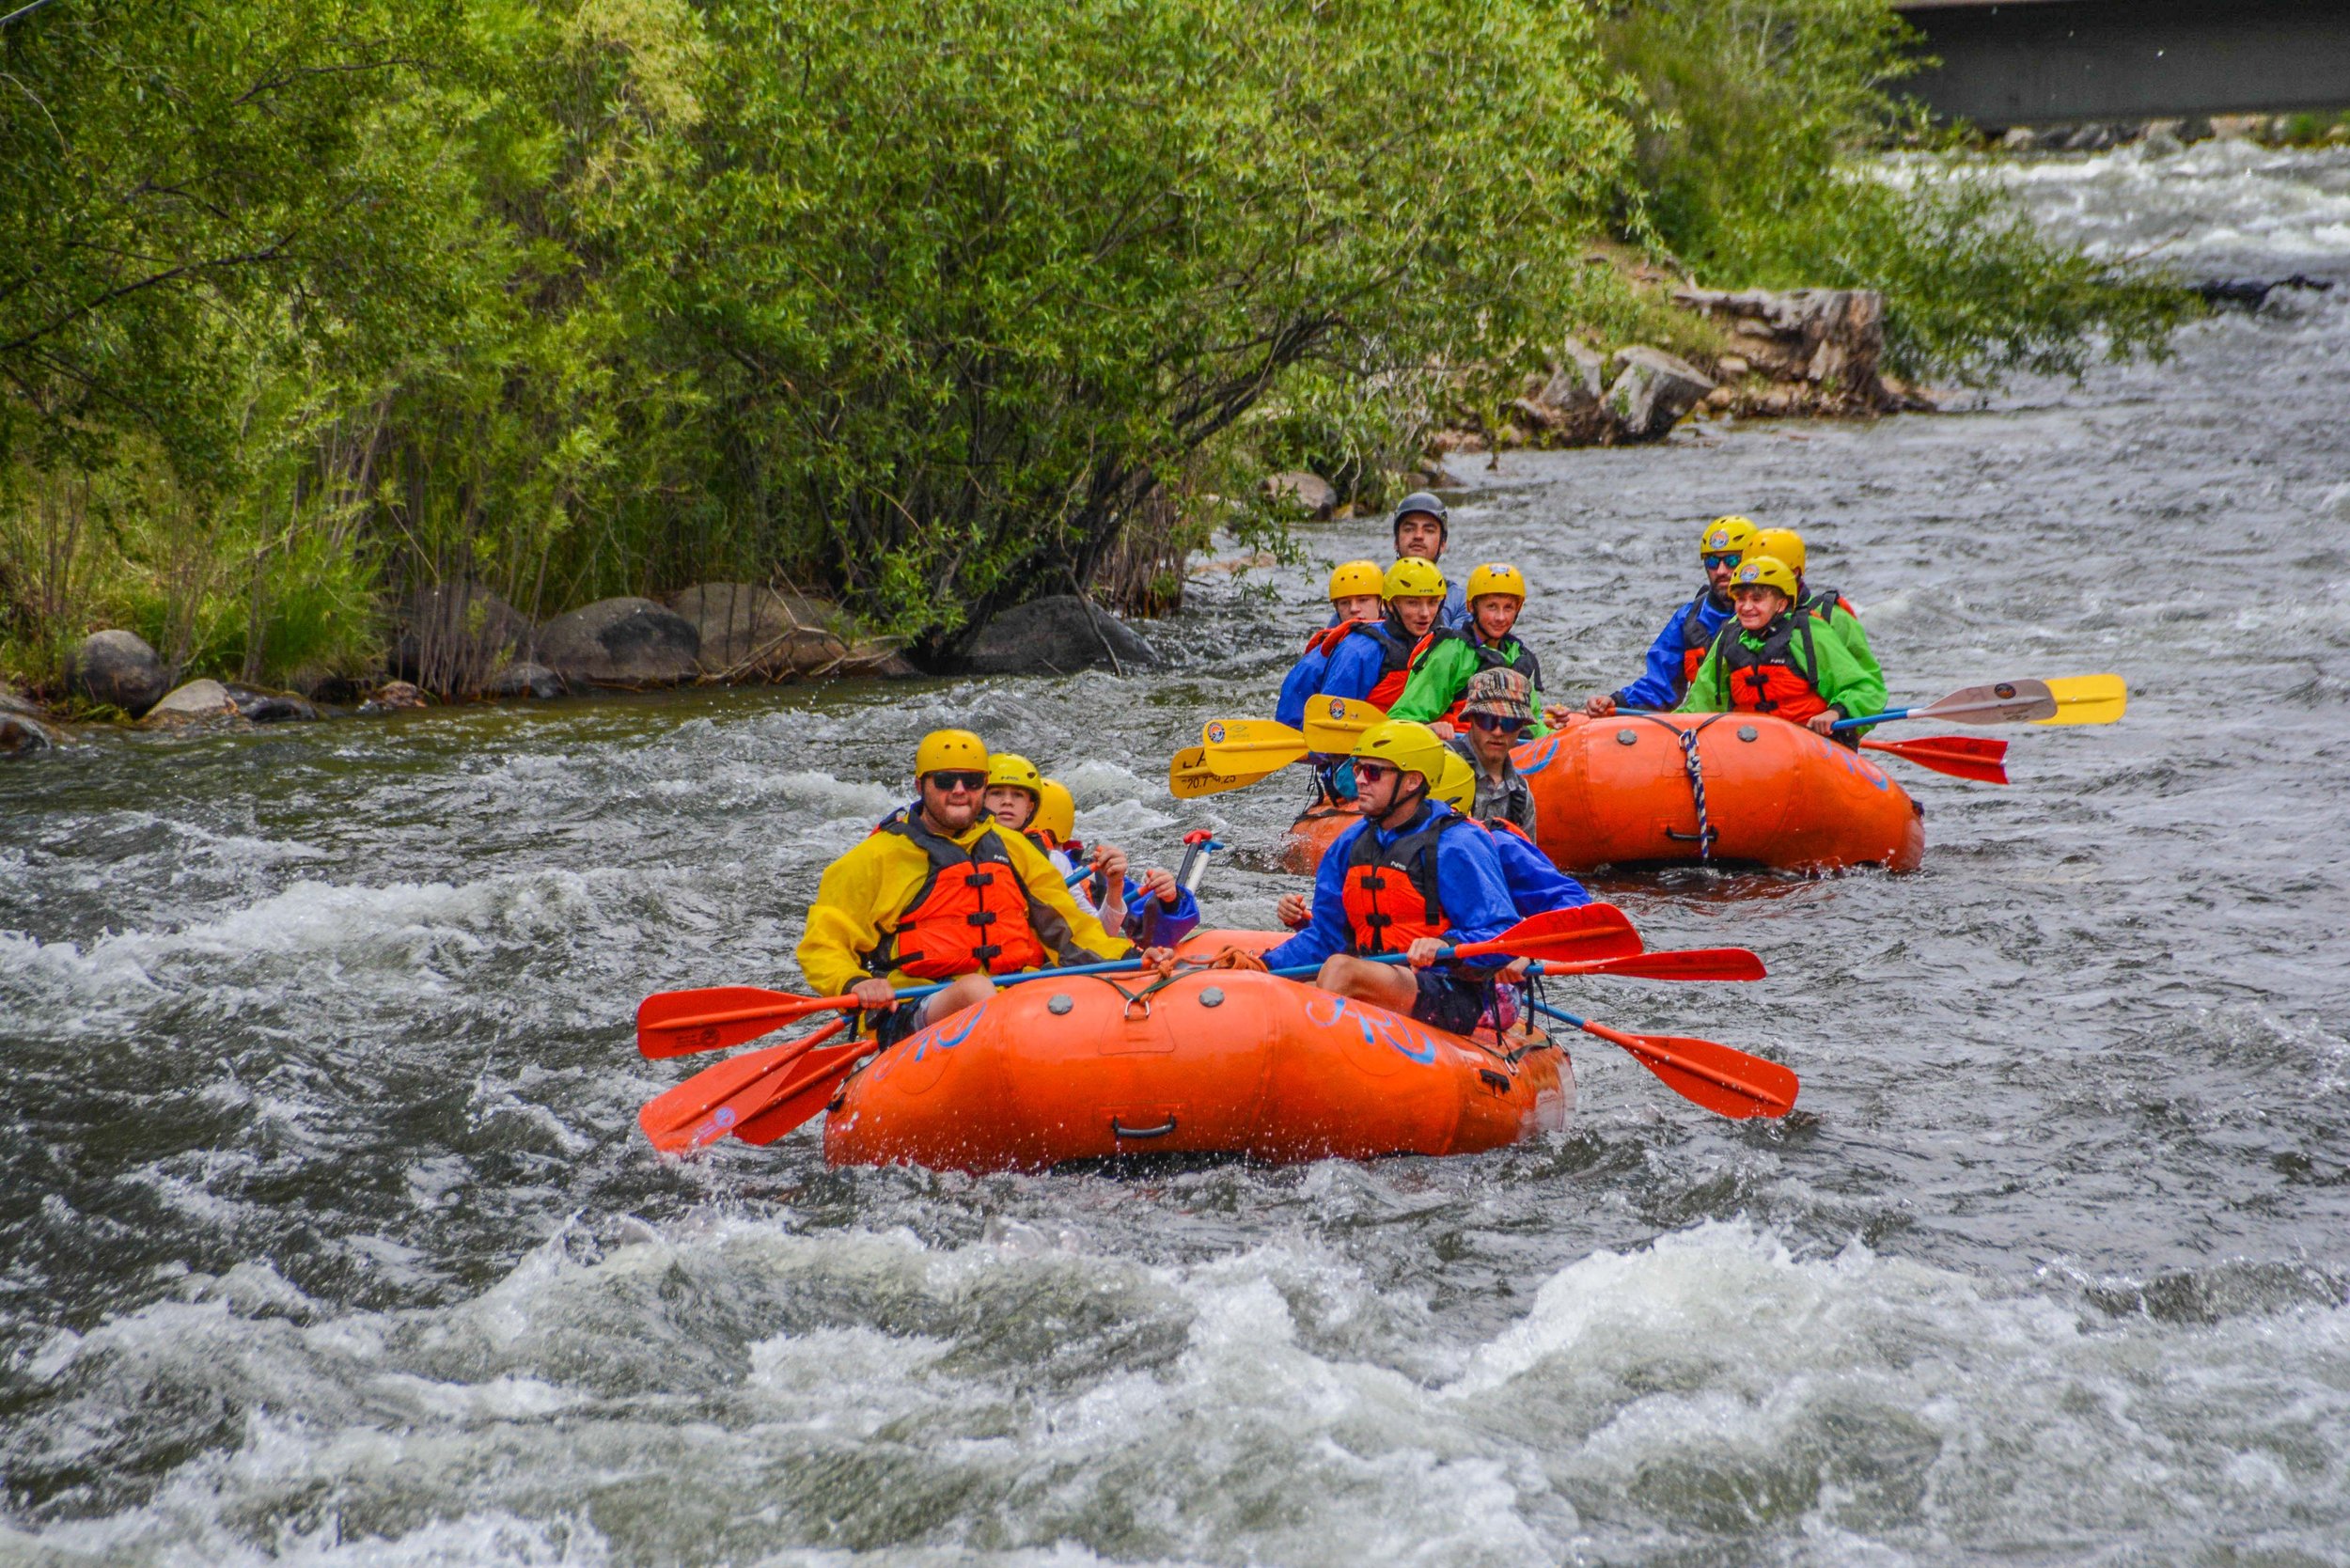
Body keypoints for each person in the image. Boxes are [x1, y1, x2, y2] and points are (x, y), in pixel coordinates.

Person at [799, 730, 1150, 1045]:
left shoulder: (1014, 849)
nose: (959, 791)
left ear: (983, 785)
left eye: (971, 781)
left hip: (1018, 999)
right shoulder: (873, 860)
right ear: (920, 786)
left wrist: (1132, 958)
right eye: (946, 780)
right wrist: (853, 982)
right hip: (916, 1009)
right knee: (975, 990)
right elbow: (823, 944)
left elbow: (1071, 930)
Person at [1213, 721, 1516, 1035]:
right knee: (1298, 983)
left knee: (1341, 970)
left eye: (1373, 772)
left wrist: (1447, 943)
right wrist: (1264, 966)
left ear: (1412, 781)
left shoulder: (1457, 844)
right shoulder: (1350, 844)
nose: (1358, 780)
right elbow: (1326, 938)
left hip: (1450, 988)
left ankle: (1310, 1061)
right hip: (1378, 977)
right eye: (1358, 769)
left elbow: (1503, 934)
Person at [981, 752, 1199, 949]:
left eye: (1017, 796)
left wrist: (1122, 888)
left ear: (1030, 808)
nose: (1007, 802)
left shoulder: (1060, 863)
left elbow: (1097, 935)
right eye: (997, 794)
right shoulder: (959, 851)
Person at [1676, 558, 1885, 745]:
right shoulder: (1729, 639)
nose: (1746, 607)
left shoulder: (1808, 633)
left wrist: (1836, 712)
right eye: (1740, 599)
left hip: (1813, 745)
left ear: (1781, 603)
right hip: (1749, 748)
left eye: (1757, 599)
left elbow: (1867, 689)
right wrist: (1660, 725)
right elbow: (1700, 704)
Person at [1584, 516, 1754, 718]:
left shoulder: (1771, 616)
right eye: (1712, 561)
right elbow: (1660, 686)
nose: (1721, 571)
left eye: (1732, 560)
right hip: (1709, 729)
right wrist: (1616, 701)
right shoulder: (1690, 618)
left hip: (1763, 728)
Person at [1388, 562, 1549, 732]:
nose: (1501, 617)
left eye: (1508, 607)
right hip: (1460, 746)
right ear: (1471, 607)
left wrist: (1551, 730)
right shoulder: (1450, 652)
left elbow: (1534, 723)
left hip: (1509, 745)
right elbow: (1403, 716)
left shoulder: (1519, 655)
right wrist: (1430, 729)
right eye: (1492, 607)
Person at [1745, 525, 1884, 691]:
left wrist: (1839, 709)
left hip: (1818, 712)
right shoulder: (1741, 622)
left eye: (1769, 571)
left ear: (1795, 572)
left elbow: (1868, 682)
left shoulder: (1831, 616)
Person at [1317, 557, 1449, 714]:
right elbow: (1333, 717)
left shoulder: (1443, 647)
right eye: (1412, 603)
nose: (1425, 613)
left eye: (1433, 602)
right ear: (1390, 605)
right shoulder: (1358, 650)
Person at [1277, 560, 1387, 729]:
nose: (1354, 609)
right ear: (1336, 607)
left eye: (1363, 600)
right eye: (1345, 603)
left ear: (1382, 602)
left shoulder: (1403, 635)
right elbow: (1290, 717)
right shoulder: (1319, 660)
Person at [1443, 667, 1539, 837]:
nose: (1497, 732)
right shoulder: (1442, 764)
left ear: (1521, 727)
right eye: (1487, 720)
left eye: (1510, 723)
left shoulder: (1521, 796)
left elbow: (1525, 857)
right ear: (1471, 718)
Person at [1388, 492, 1471, 630]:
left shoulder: (1460, 601)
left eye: (1429, 530)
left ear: (1443, 543)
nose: (1418, 536)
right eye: (1409, 529)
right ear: (1396, 541)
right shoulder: (1371, 594)